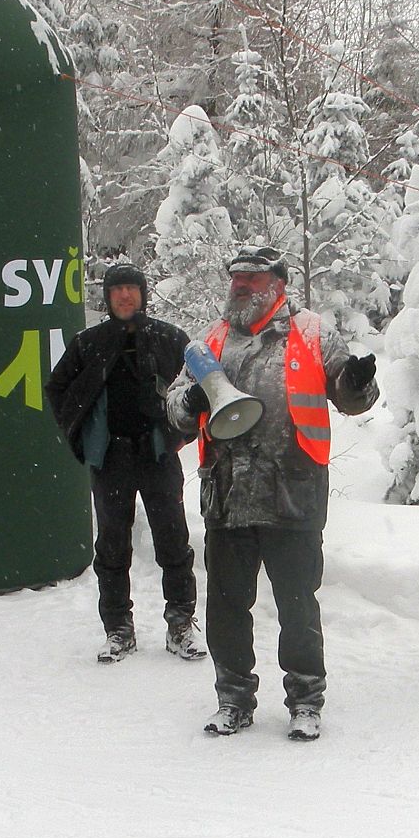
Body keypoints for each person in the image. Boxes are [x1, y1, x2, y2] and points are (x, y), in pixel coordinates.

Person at [167, 246, 378, 741]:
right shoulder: (212, 340)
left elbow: (351, 398)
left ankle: (305, 700)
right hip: (228, 497)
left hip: (293, 495)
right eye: (236, 278)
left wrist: (356, 383)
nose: (240, 285)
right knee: (226, 607)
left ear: (277, 285)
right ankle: (233, 699)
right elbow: (174, 407)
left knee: (298, 606)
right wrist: (190, 400)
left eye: (252, 278)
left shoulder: (312, 332)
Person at [44, 262, 203, 663]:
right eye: (117, 290)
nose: (125, 296)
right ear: (108, 296)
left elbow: (200, 389)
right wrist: (83, 438)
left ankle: (181, 624)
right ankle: (118, 629)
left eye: (132, 288)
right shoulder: (89, 342)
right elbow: (58, 388)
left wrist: (179, 434)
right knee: (112, 546)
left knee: (174, 541)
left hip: (158, 454)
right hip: (111, 457)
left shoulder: (169, 338)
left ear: (143, 294)